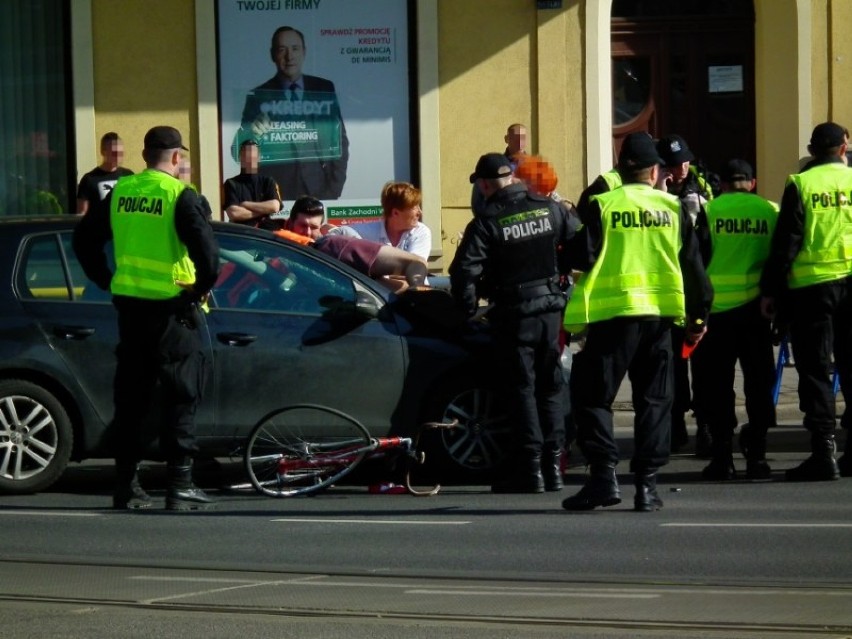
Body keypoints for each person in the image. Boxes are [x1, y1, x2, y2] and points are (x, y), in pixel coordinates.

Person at [562, 132, 713, 512]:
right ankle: (647, 487)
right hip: (660, 319)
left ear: (621, 168)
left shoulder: (603, 204)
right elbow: (694, 269)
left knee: (593, 398)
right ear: (654, 171)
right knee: (655, 401)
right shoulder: (674, 207)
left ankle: (603, 478)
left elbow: (579, 255)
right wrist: (698, 317)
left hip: (613, 319)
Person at [72, 126, 220, 511]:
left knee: (132, 398)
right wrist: (200, 287)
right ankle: (180, 484)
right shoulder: (179, 195)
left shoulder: (121, 192)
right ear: (175, 158)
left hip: (131, 311)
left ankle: (126, 485)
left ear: (143, 156)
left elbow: (84, 240)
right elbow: (208, 253)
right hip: (173, 311)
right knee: (181, 395)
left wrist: (107, 279)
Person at [450, 152, 576, 494]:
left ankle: (529, 469)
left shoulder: (488, 221)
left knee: (521, 389)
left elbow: (464, 272)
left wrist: (465, 311)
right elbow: (582, 245)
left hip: (514, 314)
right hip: (551, 311)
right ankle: (554, 468)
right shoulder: (549, 208)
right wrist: (557, 271)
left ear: (486, 184)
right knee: (549, 387)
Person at [760, 121, 852, 481]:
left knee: (815, 370)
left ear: (812, 152)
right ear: (844, 148)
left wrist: (772, 291)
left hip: (813, 289)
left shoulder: (801, 184)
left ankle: (823, 452)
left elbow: (788, 242)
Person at [690, 159, 778, 480]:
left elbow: (694, 261)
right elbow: (781, 257)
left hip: (716, 314)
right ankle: (758, 456)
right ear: (752, 183)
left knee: (716, 386)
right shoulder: (770, 211)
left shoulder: (710, 211)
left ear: (722, 185)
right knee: (759, 383)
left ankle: (722, 456)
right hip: (757, 312)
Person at [235, 26, 349, 200]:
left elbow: (340, 141)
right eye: (282, 50)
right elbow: (237, 151)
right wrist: (252, 134)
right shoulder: (259, 96)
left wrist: (333, 190)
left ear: (304, 52)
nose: (290, 56)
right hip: (277, 195)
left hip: (319, 192)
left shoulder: (323, 89)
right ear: (273, 55)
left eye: (295, 48)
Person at [657, 133, 714, 455]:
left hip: (697, 288)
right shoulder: (654, 194)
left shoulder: (703, 189)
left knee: (704, 366)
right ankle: (676, 425)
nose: (682, 168)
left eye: (685, 161)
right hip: (667, 291)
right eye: (675, 163)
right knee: (673, 367)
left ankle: (705, 426)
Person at [277, 195, 428, 291]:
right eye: (303, 226)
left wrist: (416, 289)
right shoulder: (272, 243)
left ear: (321, 227)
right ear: (290, 223)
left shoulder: (334, 246)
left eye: (314, 227)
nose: (308, 233)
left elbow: (415, 263)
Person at [329, 181, 431, 262]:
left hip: (412, 288)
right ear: (395, 213)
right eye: (414, 207)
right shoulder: (366, 231)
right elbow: (337, 234)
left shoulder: (421, 231)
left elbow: (414, 268)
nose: (420, 212)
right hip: (375, 288)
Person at [471, 123, 530, 216]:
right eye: (515, 137)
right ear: (507, 139)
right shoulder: (495, 165)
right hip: (500, 218)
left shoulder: (535, 166)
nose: (519, 142)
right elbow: (478, 201)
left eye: (523, 138)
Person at [223, 139, 282, 226]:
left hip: (264, 234)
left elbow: (274, 206)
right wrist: (264, 211)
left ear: (258, 158)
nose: (250, 159)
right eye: (246, 156)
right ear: (240, 158)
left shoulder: (268, 182)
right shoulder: (231, 184)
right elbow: (234, 213)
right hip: (242, 233)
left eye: (253, 155)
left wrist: (245, 204)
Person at [75, 132, 134, 216]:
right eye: (114, 153)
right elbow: (82, 213)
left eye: (120, 153)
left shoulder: (129, 175)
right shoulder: (89, 179)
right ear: (103, 152)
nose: (118, 156)